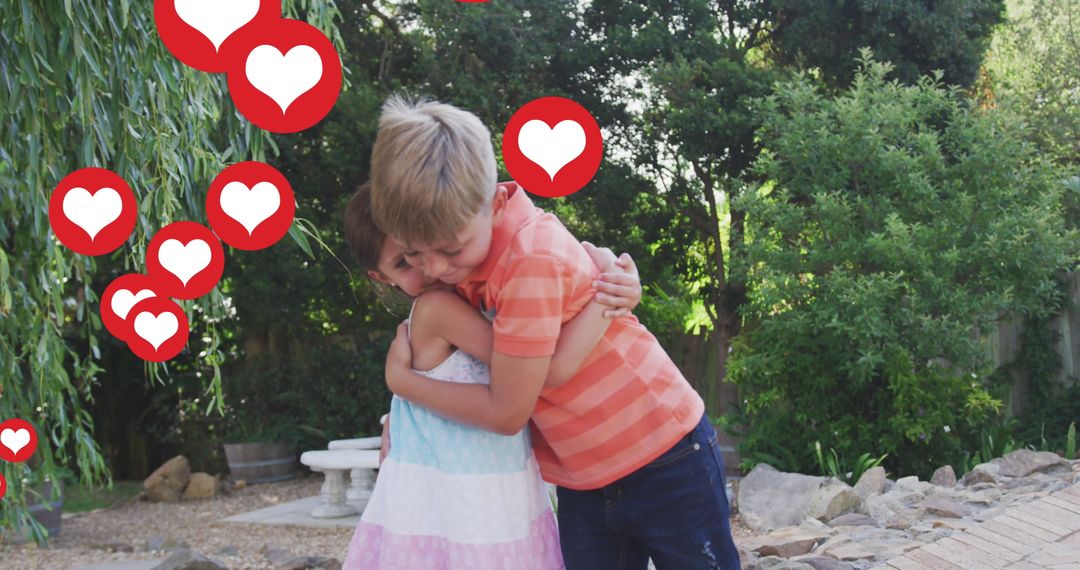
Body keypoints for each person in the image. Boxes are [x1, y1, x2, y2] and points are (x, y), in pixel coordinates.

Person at [369, 97, 742, 570]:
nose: (437, 269)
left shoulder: (530, 260)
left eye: (450, 249)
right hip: (584, 473)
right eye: (416, 254)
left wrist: (404, 384)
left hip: (660, 453)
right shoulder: (471, 251)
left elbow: (512, 406)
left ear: (497, 201)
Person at [341, 183, 641, 569]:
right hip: (468, 494)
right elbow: (542, 364)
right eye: (403, 262)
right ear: (382, 278)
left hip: (478, 483)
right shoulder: (436, 308)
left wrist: (401, 391)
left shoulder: (472, 295)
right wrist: (608, 294)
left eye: (422, 246)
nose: (425, 265)